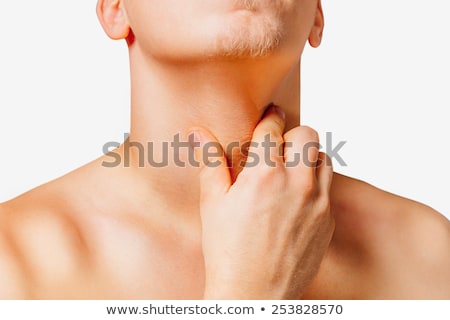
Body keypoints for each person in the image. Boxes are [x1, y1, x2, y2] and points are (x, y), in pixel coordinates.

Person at [0, 0, 449, 299]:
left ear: (316, 13)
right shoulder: (11, 265)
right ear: (117, 9)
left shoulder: (430, 254)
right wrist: (248, 296)